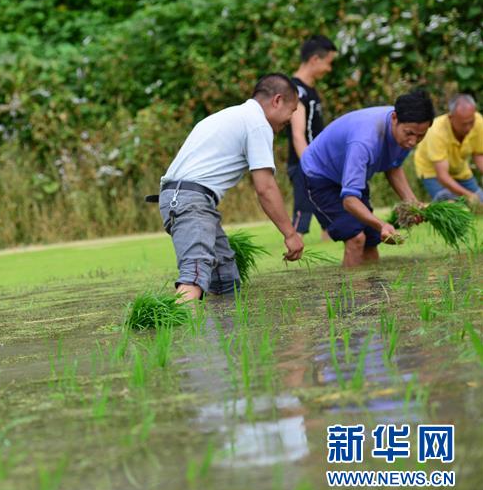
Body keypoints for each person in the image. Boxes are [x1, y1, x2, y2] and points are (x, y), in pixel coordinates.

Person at [155, 74, 304, 302]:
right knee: (193, 277)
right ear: (277, 100)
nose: (290, 120)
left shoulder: (235, 115)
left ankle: (221, 334)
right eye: (292, 111)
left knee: (225, 280)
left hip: (185, 198)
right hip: (191, 201)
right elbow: (265, 188)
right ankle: (176, 334)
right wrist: (291, 234)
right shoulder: (257, 123)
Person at [301, 89, 435, 267]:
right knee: (356, 237)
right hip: (320, 175)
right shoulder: (365, 140)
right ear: (394, 118)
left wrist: (413, 204)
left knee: (372, 240)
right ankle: (351, 293)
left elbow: (393, 168)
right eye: (409, 133)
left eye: (421, 136)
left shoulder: (406, 131)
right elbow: (349, 200)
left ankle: (373, 293)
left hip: (350, 174)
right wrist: (382, 225)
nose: (413, 142)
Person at [287, 35, 337, 240]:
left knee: (327, 208)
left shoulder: (310, 89)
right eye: (329, 63)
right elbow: (298, 134)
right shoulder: (297, 90)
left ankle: (331, 237)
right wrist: (309, 165)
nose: (329, 69)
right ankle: (293, 242)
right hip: (303, 161)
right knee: (304, 207)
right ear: (315, 59)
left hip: (315, 160)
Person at [413, 93, 483, 204]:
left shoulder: (478, 121)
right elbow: (442, 176)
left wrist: (475, 198)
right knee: (448, 203)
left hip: (460, 171)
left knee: (481, 201)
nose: (469, 127)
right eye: (463, 124)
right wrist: (469, 196)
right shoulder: (436, 131)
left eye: (471, 122)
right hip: (433, 172)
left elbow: (479, 156)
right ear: (451, 118)